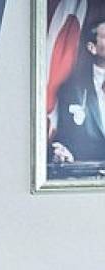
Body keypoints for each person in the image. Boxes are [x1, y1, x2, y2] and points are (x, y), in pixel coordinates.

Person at [51, 17, 105, 164]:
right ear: (92, 47)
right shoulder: (73, 89)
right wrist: (65, 152)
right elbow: (66, 137)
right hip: (88, 171)